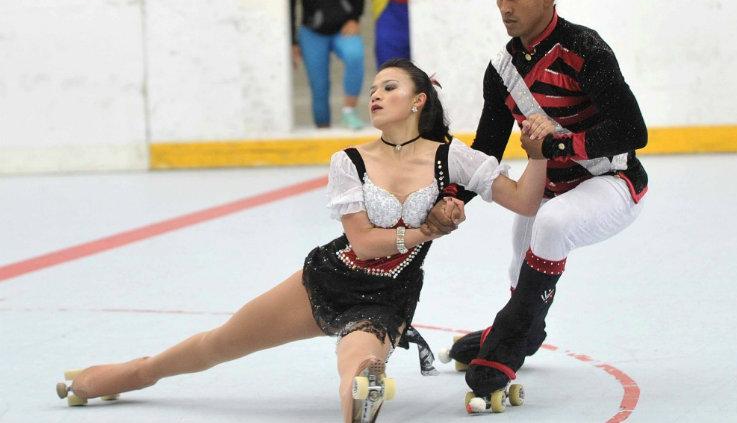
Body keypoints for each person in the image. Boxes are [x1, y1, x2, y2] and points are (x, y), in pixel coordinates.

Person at [54, 59, 549, 423]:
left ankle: (365, 391)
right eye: (372, 89)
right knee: (217, 345)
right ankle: (134, 373)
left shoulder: (452, 157)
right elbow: (364, 242)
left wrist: (538, 154)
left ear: (419, 100)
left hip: (387, 296)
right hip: (328, 280)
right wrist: (427, 230)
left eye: (388, 87)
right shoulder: (349, 160)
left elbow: (526, 202)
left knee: (356, 364)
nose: (375, 96)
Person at [424, 0, 648, 400]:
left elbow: (632, 130)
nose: (504, 8)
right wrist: (452, 197)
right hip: (551, 189)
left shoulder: (584, 49)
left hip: (612, 183)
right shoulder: (501, 70)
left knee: (550, 224)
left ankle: (505, 343)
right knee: (520, 253)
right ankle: (521, 329)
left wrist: (560, 144)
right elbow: (488, 149)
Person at [287, 0, 367, 130]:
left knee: (355, 55)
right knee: (319, 85)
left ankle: (349, 111)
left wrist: (354, 18)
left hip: (344, 26)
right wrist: (292, 41)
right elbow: (289, 4)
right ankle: (322, 128)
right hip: (312, 32)